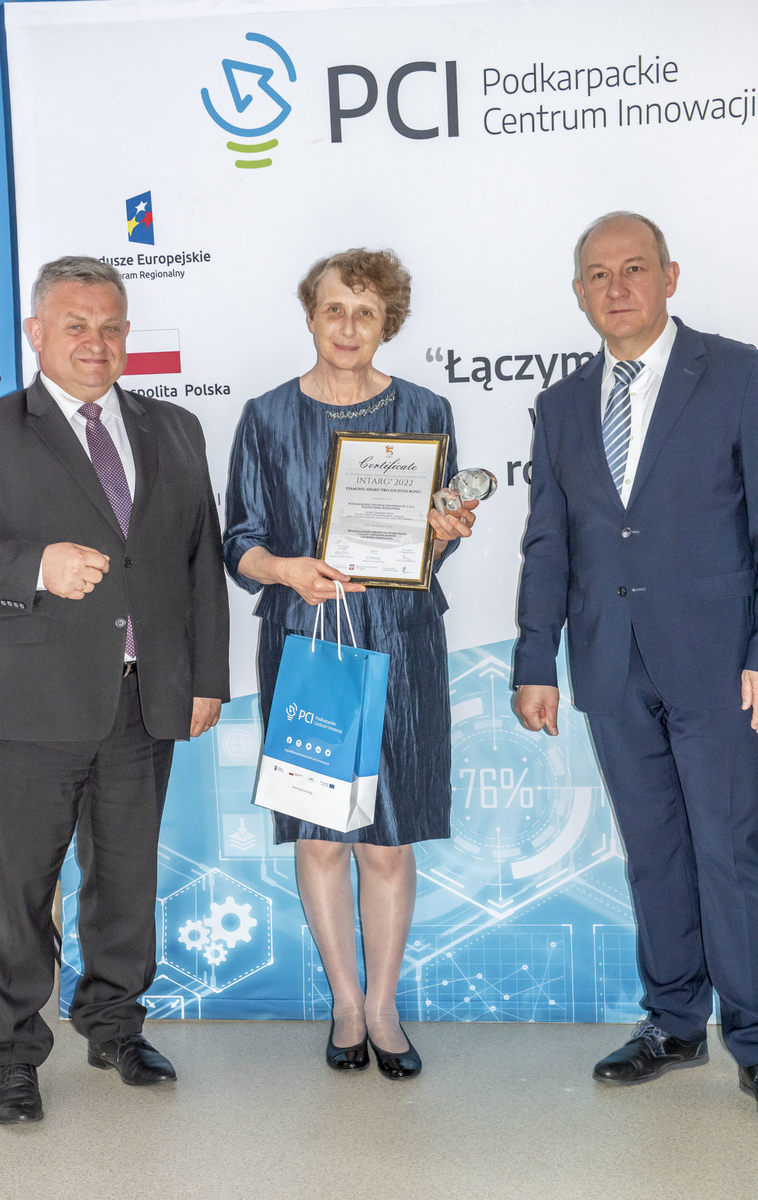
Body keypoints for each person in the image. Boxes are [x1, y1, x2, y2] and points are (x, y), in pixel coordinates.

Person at [0, 256, 229, 1124]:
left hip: (144, 700)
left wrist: (206, 678)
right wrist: (36, 566)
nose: (95, 342)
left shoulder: (174, 427)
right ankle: (13, 1054)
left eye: (111, 326)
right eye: (75, 325)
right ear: (36, 332)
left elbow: (199, 562)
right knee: (15, 892)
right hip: (30, 703)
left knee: (124, 879)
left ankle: (114, 1027)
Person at [513, 212, 758, 1105]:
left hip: (719, 662)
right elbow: (549, 543)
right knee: (651, 851)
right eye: (597, 274)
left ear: (669, 277)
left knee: (728, 851)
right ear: (579, 293)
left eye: (633, 268)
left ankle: (753, 1031)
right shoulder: (560, 406)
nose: (615, 288)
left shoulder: (737, 375)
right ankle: (672, 1023)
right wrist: (533, 660)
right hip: (610, 663)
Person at [223, 248, 476, 1080]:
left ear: (386, 324)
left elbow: (427, 544)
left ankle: (383, 1007)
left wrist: (441, 535)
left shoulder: (425, 409)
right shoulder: (266, 417)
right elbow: (238, 542)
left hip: (400, 641)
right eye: (334, 308)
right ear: (310, 315)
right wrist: (286, 569)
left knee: (387, 841)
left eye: (365, 312)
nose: (347, 326)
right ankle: (343, 1003)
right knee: (322, 837)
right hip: (309, 641)